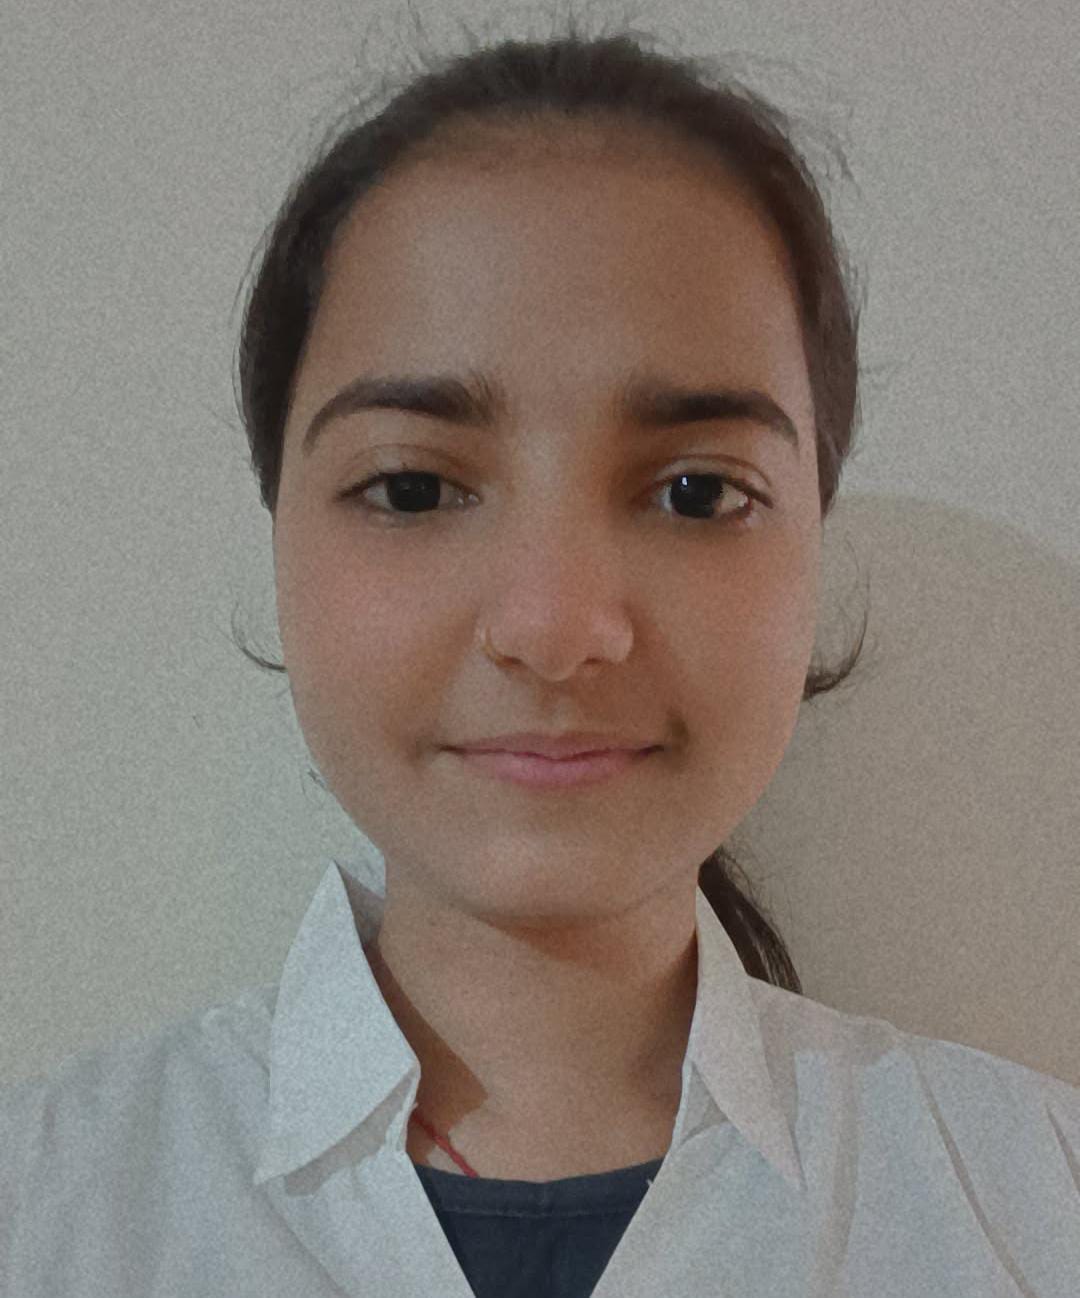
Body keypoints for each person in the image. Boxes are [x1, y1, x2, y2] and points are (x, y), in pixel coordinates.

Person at [3, 17, 1077, 1298]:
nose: (556, 627)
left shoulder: (1035, 1205)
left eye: (695, 491)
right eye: (412, 487)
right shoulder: (46, 1208)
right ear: (283, 538)